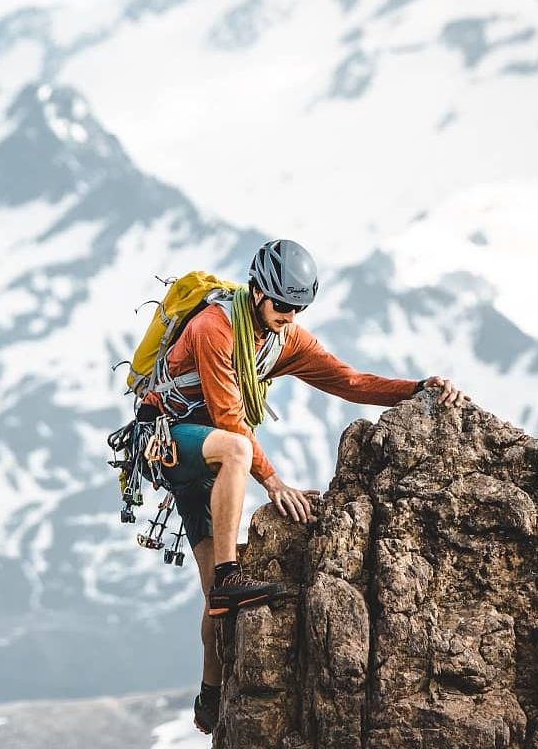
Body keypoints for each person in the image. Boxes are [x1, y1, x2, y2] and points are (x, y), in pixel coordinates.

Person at [140, 239, 471, 734]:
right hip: (166, 442)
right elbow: (231, 421)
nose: (290, 315)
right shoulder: (214, 328)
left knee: (215, 600)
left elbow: (348, 381)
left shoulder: (282, 338)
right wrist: (274, 483)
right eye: (282, 305)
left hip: (205, 457)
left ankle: (209, 698)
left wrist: (415, 388)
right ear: (257, 292)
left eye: (299, 307)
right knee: (236, 449)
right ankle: (232, 578)